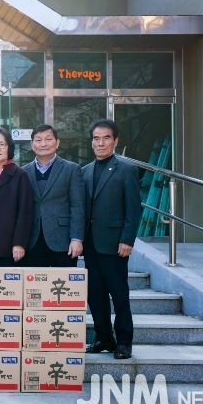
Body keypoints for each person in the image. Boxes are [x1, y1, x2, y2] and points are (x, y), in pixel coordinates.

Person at [82, 119, 141, 360]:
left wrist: (127, 239)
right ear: (91, 142)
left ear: (115, 141)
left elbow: (133, 209)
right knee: (95, 295)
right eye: (96, 138)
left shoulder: (126, 170)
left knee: (119, 295)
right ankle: (103, 338)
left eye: (106, 138)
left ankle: (124, 342)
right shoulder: (84, 171)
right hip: (90, 244)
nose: (101, 143)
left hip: (115, 244)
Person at [23, 124, 85, 267]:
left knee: (63, 281)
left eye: (48, 139)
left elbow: (77, 206)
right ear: (32, 145)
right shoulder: (24, 172)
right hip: (32, 241)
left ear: (57, 143)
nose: (43, 144)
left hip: (63, 240)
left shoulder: (72, 169)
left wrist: (77, 238)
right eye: (38, 140)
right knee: (34, 281)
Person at [0, 127, 33, 266]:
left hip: (8, 246)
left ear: (9, 147)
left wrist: (19, 243)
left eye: (1, 144)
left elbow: (25, 212)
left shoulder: (20, 175)